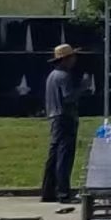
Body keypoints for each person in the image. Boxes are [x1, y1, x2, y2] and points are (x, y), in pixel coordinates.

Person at [39, 43, 83, 205]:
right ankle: (63, 193)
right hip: (65, 118)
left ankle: (48, 191)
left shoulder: (52, 76)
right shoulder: (64, 76)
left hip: (54, 117)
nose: (74, 60)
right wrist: (83, 88)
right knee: (64, 156)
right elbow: (68, 97)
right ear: (66, 59)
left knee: (54, 155)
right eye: (72, 57)